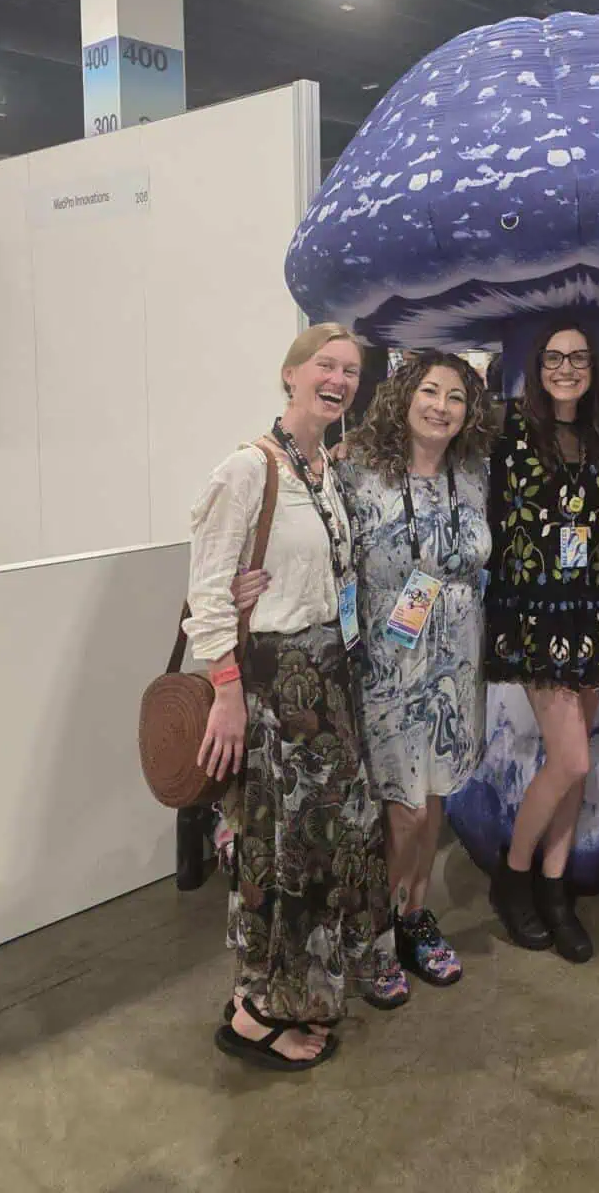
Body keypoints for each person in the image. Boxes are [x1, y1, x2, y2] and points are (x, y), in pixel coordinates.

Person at [185, 322, 390, 1070]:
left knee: (321, 851)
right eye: (325, 365)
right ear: (290, 373)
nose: (338, 380)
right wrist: (226, 693)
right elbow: (208, 591)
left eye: (350, 371)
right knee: (276, 853)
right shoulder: (248, 469)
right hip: (274, 687)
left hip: (328, 680)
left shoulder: (323, 467)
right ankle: (255, 1012)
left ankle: (294, 993)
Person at [343, 351, 494, 999]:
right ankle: (374, 932)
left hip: (455, 663)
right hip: (390, 663)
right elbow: (334, 563)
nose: (441, 406)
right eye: (430, 391)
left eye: (456, 397)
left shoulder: (473, 473)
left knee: (433, 801)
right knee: (402, 809)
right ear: (404, 396)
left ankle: (413, 916)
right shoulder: (359, 472)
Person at [484, 323, 599, 962]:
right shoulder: (506, 429)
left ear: (593, 367)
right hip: (534, 615)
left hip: (593, 609)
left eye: (578, 357)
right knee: (570, 760)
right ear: (537, 367)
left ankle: (555, 884)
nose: (565, 368)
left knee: (577, 762)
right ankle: (513, 875)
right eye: (553, 358)